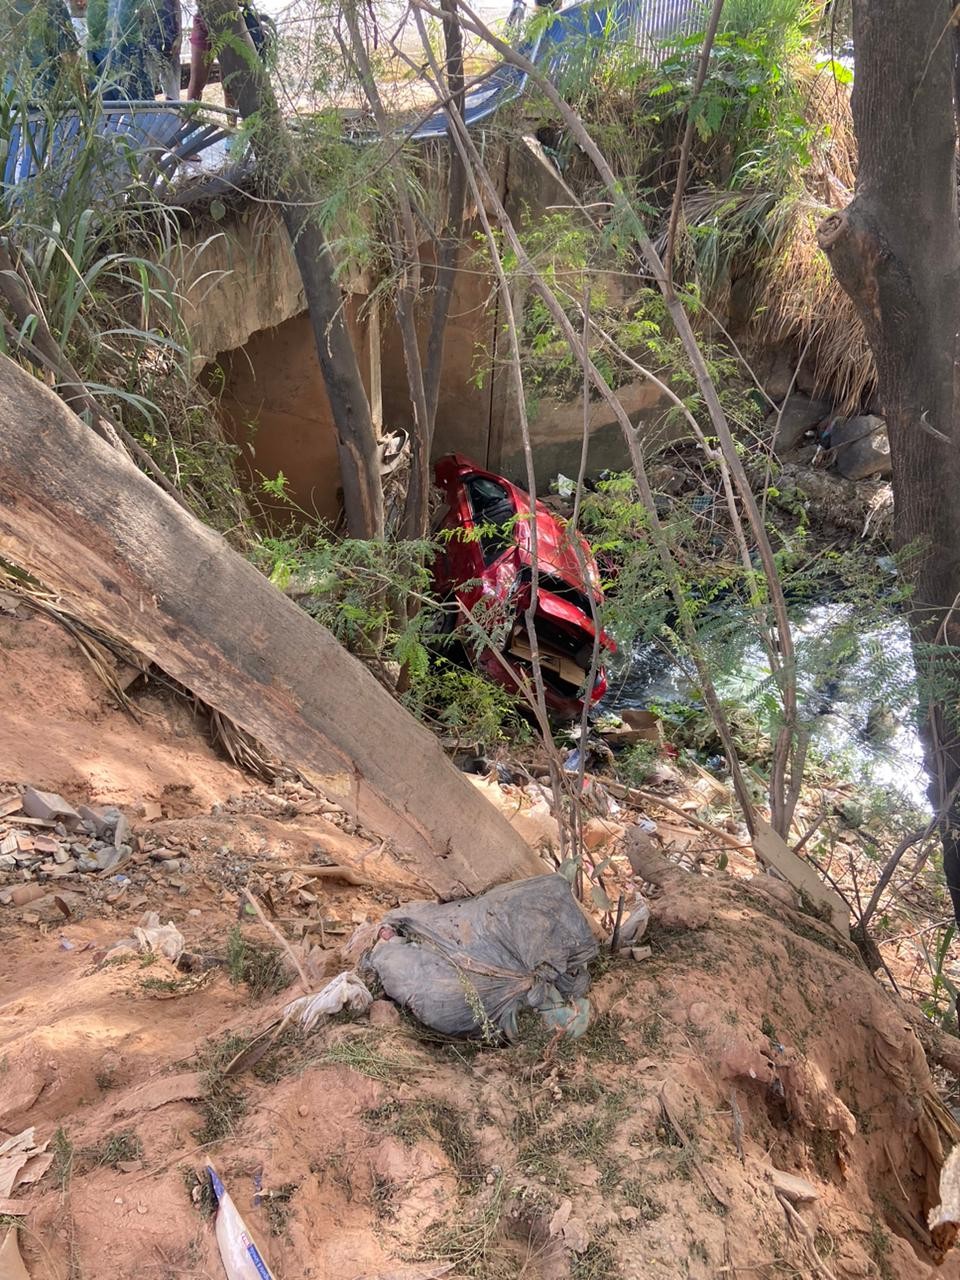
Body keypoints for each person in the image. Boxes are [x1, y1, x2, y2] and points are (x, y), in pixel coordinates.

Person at [187, 4, 273, 104]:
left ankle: (232, 114)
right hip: (205, 19)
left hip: (232, 22)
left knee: (229, 84)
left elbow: (246, 3)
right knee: (197, 82)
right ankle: (188, 113)